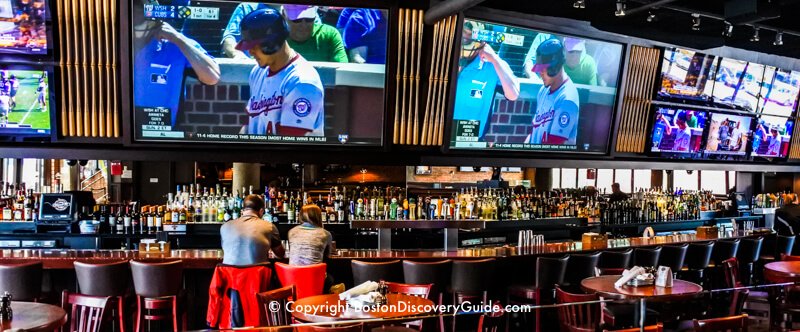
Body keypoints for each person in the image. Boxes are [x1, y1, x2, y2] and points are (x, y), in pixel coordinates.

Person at [236, 8, 325, 136]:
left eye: (254, 46)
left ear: (272, 43)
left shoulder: (302, 82)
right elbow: (249, 124)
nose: (250, 52)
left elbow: (289, 144)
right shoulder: (257, 72)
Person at [132, 0, 220, 127]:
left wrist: (178, 39)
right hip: (121, 132)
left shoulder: (174, 46)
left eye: (140, 7)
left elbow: (212, 77)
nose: (135, 12)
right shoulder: (112, 44)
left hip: (160, 131)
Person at [452, 20, 520, 139]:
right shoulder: (444, 55)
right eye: (464, 33)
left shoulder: (491, 66)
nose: (466, 37)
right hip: (436, 134)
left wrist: (494, 59)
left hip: (468, 139)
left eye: (471, 34)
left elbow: (513, 94)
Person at [526, 38, 580, 145]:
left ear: (554, 67)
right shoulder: (544, 90)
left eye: (543, 69)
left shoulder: (567, 99)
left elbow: (553, 146)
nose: (540, 73)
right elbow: (534, 131)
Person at [220, 194, 285, 265]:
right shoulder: (269, 226)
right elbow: (280, 255)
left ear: (242, 211)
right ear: (261, 211)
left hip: (230, 274)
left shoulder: (225, 227)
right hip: (257, 274)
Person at [282, 5, 347, 63]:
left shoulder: (330, 34)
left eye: (309, 18)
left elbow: (343, 70)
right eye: (296, 19)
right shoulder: (277, 39)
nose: (303, 25)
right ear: (284, 15)